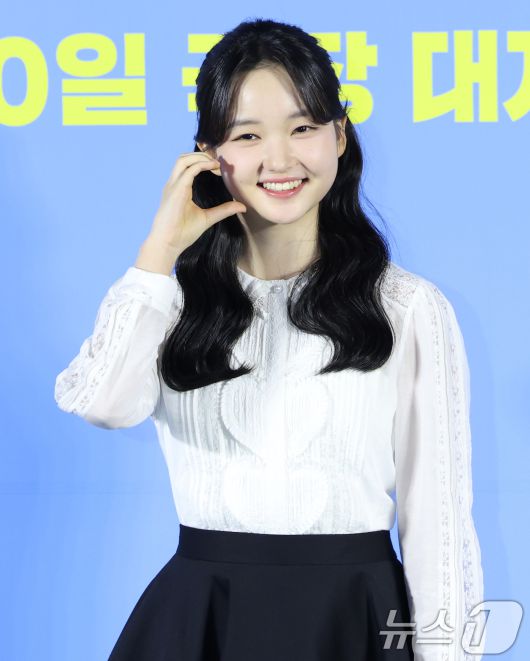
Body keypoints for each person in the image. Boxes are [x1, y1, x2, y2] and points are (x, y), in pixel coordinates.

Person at [54, 17, 485, 661]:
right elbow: (102, 404)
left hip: (356, 617)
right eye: (248, 135)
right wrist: (157, 255)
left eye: (303, 128)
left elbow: (438, 522)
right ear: (208, 153)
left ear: (340, 136)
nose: (279, 160)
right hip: (201, 619)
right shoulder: (169, 302)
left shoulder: (407, 307)